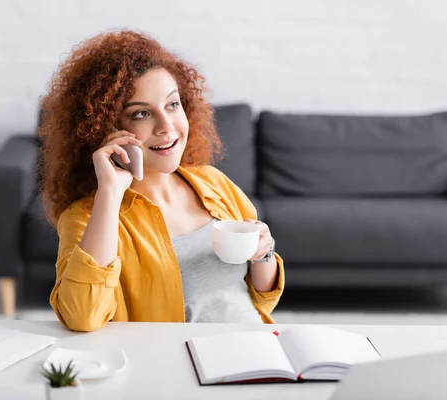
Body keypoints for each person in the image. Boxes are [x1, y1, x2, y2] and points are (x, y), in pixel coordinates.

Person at [37, 30, 284, 332]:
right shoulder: (88, 217)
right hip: (179, 368)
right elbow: (81, 317)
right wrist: (110, 195)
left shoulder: (213, 183)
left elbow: (259, 299)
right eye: (141, 113)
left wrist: (265, 252)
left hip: (256, 348)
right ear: (105, 128)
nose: (166, 127)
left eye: (172, 105)